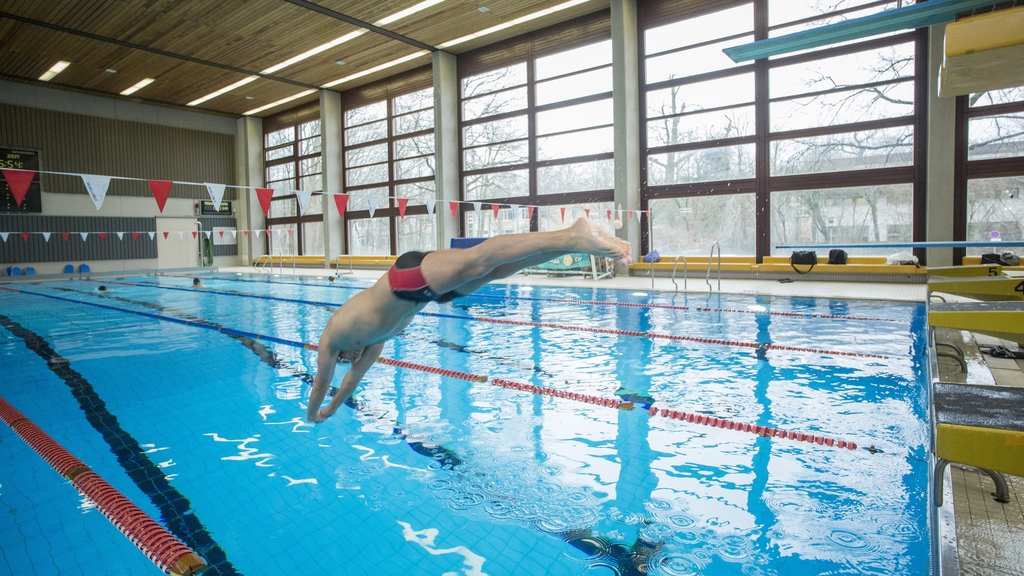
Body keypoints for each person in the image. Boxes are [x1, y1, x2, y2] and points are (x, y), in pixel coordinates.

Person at [306, 217, 633, 423]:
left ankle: (572, 235)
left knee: (477, 262)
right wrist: (333, 410)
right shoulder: (373, 344)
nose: (349, 362)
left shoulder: (332, 337)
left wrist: (312, 414)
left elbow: (322, 382)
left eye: (343, 360)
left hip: (405, 279)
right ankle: (570, 244)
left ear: (337, 355)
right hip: (429, 295)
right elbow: (351, 381)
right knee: (496, 271)